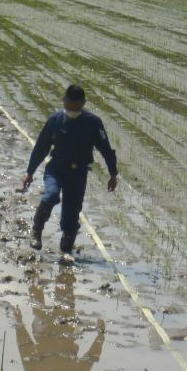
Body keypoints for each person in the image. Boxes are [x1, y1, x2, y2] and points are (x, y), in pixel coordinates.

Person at [21, 84, 118, 263]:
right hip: (56, 169)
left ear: (82, 103)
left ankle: (66, 248)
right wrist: (30, 172)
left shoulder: (93, 122)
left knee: (72, 214)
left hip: (78, 173)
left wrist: (113, 173)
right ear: (63, 100)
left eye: (75, 104)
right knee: (50, 196)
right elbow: (41, 147)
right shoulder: (56, 120)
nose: (71, 107)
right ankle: (36, 230)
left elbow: (105, 149)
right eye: (68, 103)